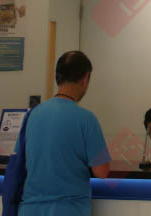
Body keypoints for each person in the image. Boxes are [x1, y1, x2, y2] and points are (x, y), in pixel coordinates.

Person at [18, 51, 111, 216]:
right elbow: (102, 172)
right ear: (85, 78)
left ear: (57, 77)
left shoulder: (31, 115)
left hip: (30, 209)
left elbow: (22, 159)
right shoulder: (86, 119)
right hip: (69, 209)